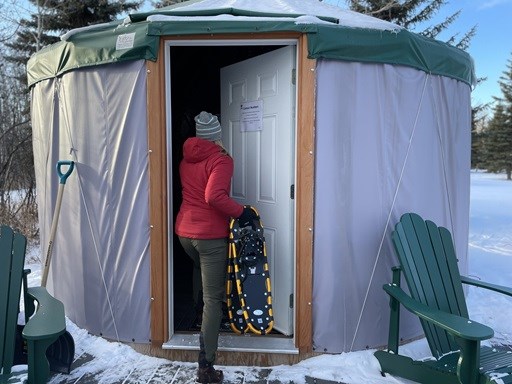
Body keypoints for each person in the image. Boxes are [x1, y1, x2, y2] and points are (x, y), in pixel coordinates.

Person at [175, 111, 257, 384]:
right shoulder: (221, 159)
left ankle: (199, 316)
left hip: (185, 233)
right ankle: (206, 366)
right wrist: (241, 212)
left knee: (199, 269)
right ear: (217, 135)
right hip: (209, 236)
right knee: (215, 298)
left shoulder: (186, 158)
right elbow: (214, 196)